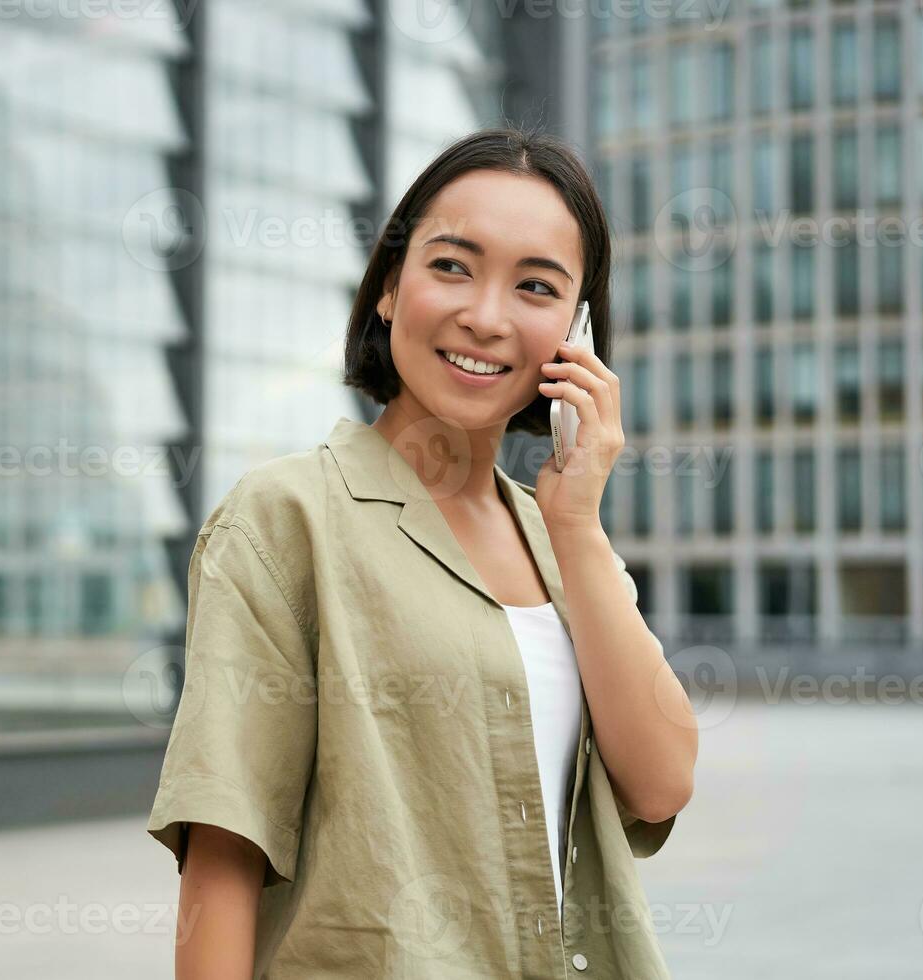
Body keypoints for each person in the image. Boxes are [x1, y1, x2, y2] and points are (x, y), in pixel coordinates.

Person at [146, 126, 699, 979]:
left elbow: (661, 782)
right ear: (389, 288)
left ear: (577, 332)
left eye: (537, 287)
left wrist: (580, 527)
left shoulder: (564, 543)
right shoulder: (285, 519)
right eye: (451, 266)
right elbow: (224, 857)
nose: (486, 315)